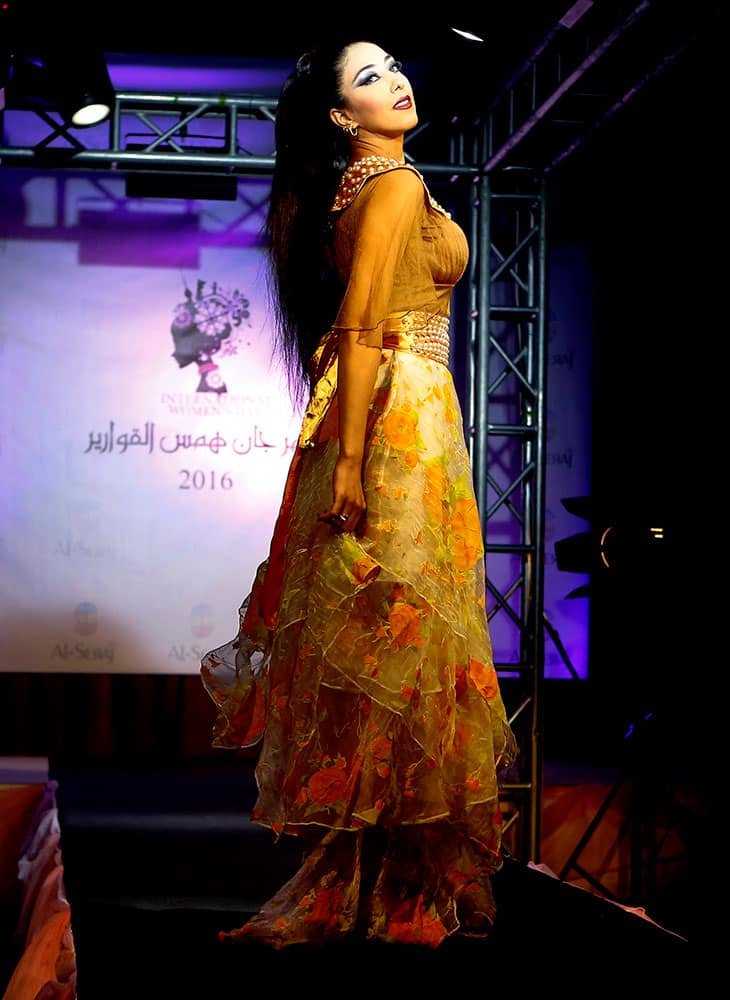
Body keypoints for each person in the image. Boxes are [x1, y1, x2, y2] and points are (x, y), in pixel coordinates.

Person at [200, 35, 518, 950]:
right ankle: (402, 886)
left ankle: (382, 876)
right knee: (407, 639)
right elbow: (359, 325)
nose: (397, 81)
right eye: (370, 78)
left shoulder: (359, 190)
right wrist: (346, 466)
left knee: (392, 641)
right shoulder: (392, 185)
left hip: (396, 417)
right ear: (343, 117)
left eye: (394, 66)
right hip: (402, 423)